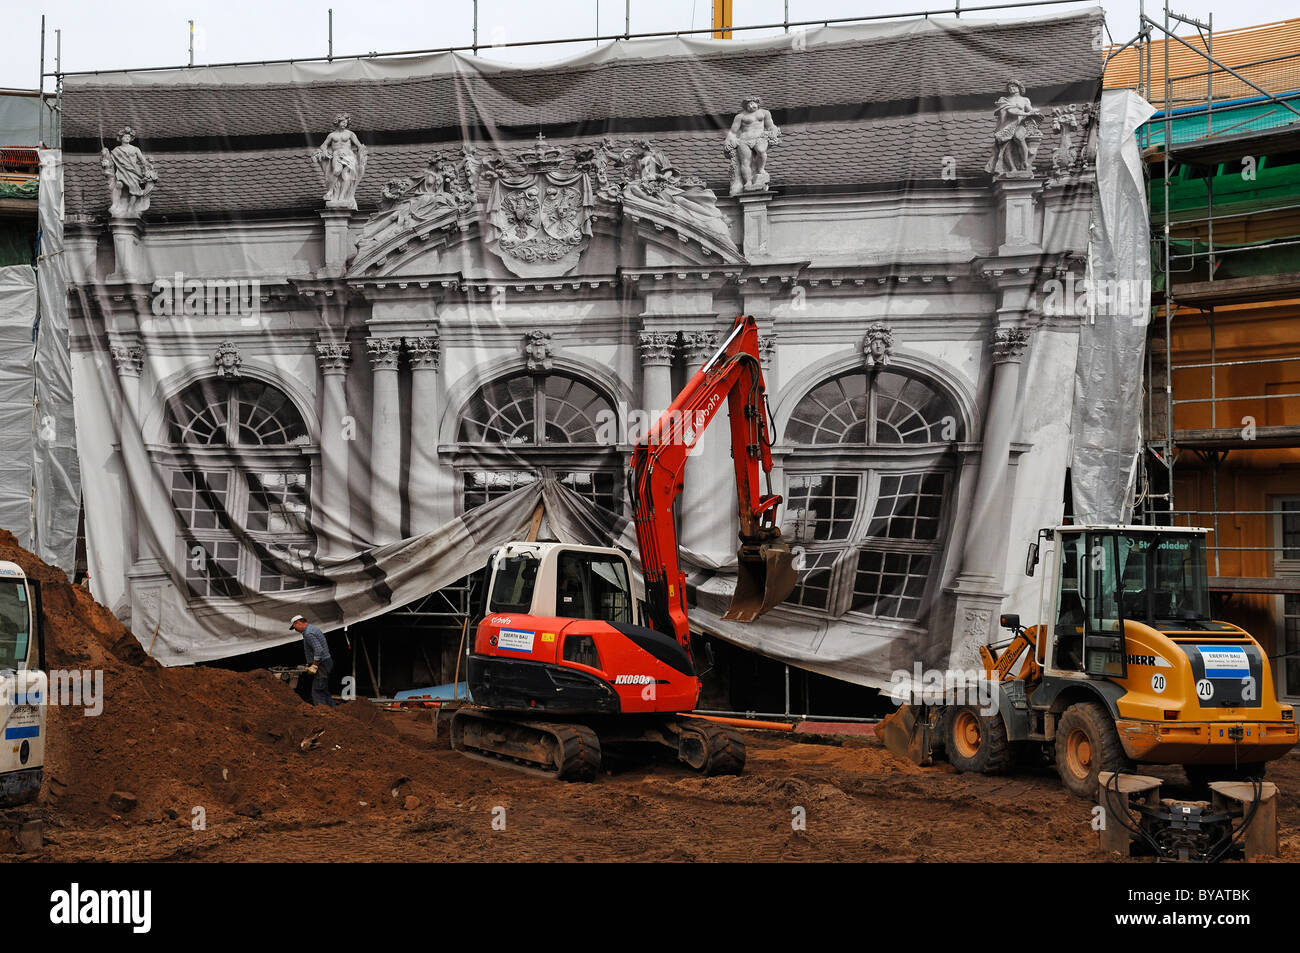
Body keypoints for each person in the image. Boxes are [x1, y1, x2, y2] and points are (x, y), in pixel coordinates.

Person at [290, 615, 335, 706]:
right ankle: (332, 711)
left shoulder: (308, 633)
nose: (295, 630)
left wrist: (314, 665)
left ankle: (323, 713)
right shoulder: (312, 629)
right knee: (323, 689)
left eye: (294, 627)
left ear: (298, 622)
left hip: (322, 664)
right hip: (325, 662)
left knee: (317, 690)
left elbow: (318, 650)